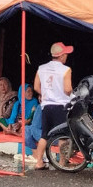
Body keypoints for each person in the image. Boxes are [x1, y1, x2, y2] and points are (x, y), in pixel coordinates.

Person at [32, 42, 74, 170]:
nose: (66, 56)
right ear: (61, 56)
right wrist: (73, 94)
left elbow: (36, 87)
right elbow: (67, 89)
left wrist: (45, 94)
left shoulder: (41, 68)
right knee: (63, 135)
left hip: (47, 106)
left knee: (45, 135)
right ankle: (62, 163)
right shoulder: (66, 70)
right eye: (65, 53)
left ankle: (39, 162)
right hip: (61, 106)